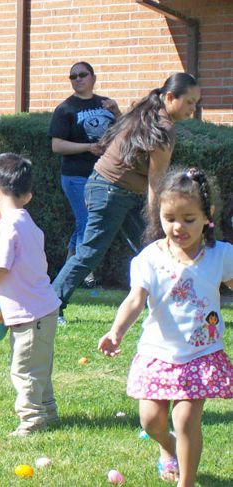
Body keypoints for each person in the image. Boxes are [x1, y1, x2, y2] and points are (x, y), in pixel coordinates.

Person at [98, 167, 233, 487]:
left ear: (207, 216)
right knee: (151, 420)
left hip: (201, 353)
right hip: (157, 353)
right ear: (157, 215)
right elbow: (134, 301)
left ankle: (185, 482)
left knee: (185, 420)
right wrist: (116, 332)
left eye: (189, 219)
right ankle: (167, 447)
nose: (179, 227)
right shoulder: (149, 259)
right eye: (170, 218)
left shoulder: (221, 255)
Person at [52, 73, 201, 323]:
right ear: (170, 97)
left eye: (195, 103)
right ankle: (50, 307)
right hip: (110, 191)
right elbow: (156, 182)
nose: (192, 108)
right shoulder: (162, 128)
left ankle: (175, 306)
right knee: (90, 252)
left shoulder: (149, 113)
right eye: (189, 102)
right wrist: (158, 221)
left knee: (156, 249)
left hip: (117, 191)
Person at [0, 153, 61, 437]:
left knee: (24, 370)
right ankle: (48, 410)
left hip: (30, 313)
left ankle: (32, 420)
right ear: (28, 196)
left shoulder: (6, 226)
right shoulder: (28, 222)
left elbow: (0, 266)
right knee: (39, 366)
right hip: (43, 309)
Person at [49, 62, 120, 286]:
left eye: (82, 75)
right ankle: (84, 274)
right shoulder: (65, 109)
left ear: (93, 77)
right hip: (76, 176)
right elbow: (57, 145)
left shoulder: (105, 103)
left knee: (84, 223)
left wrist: (117, 112)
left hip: (102, 174)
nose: (77, 79)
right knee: (87, 221)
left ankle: (68, 273)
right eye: (73, 76)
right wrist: (88, 148)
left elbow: (125, 131)